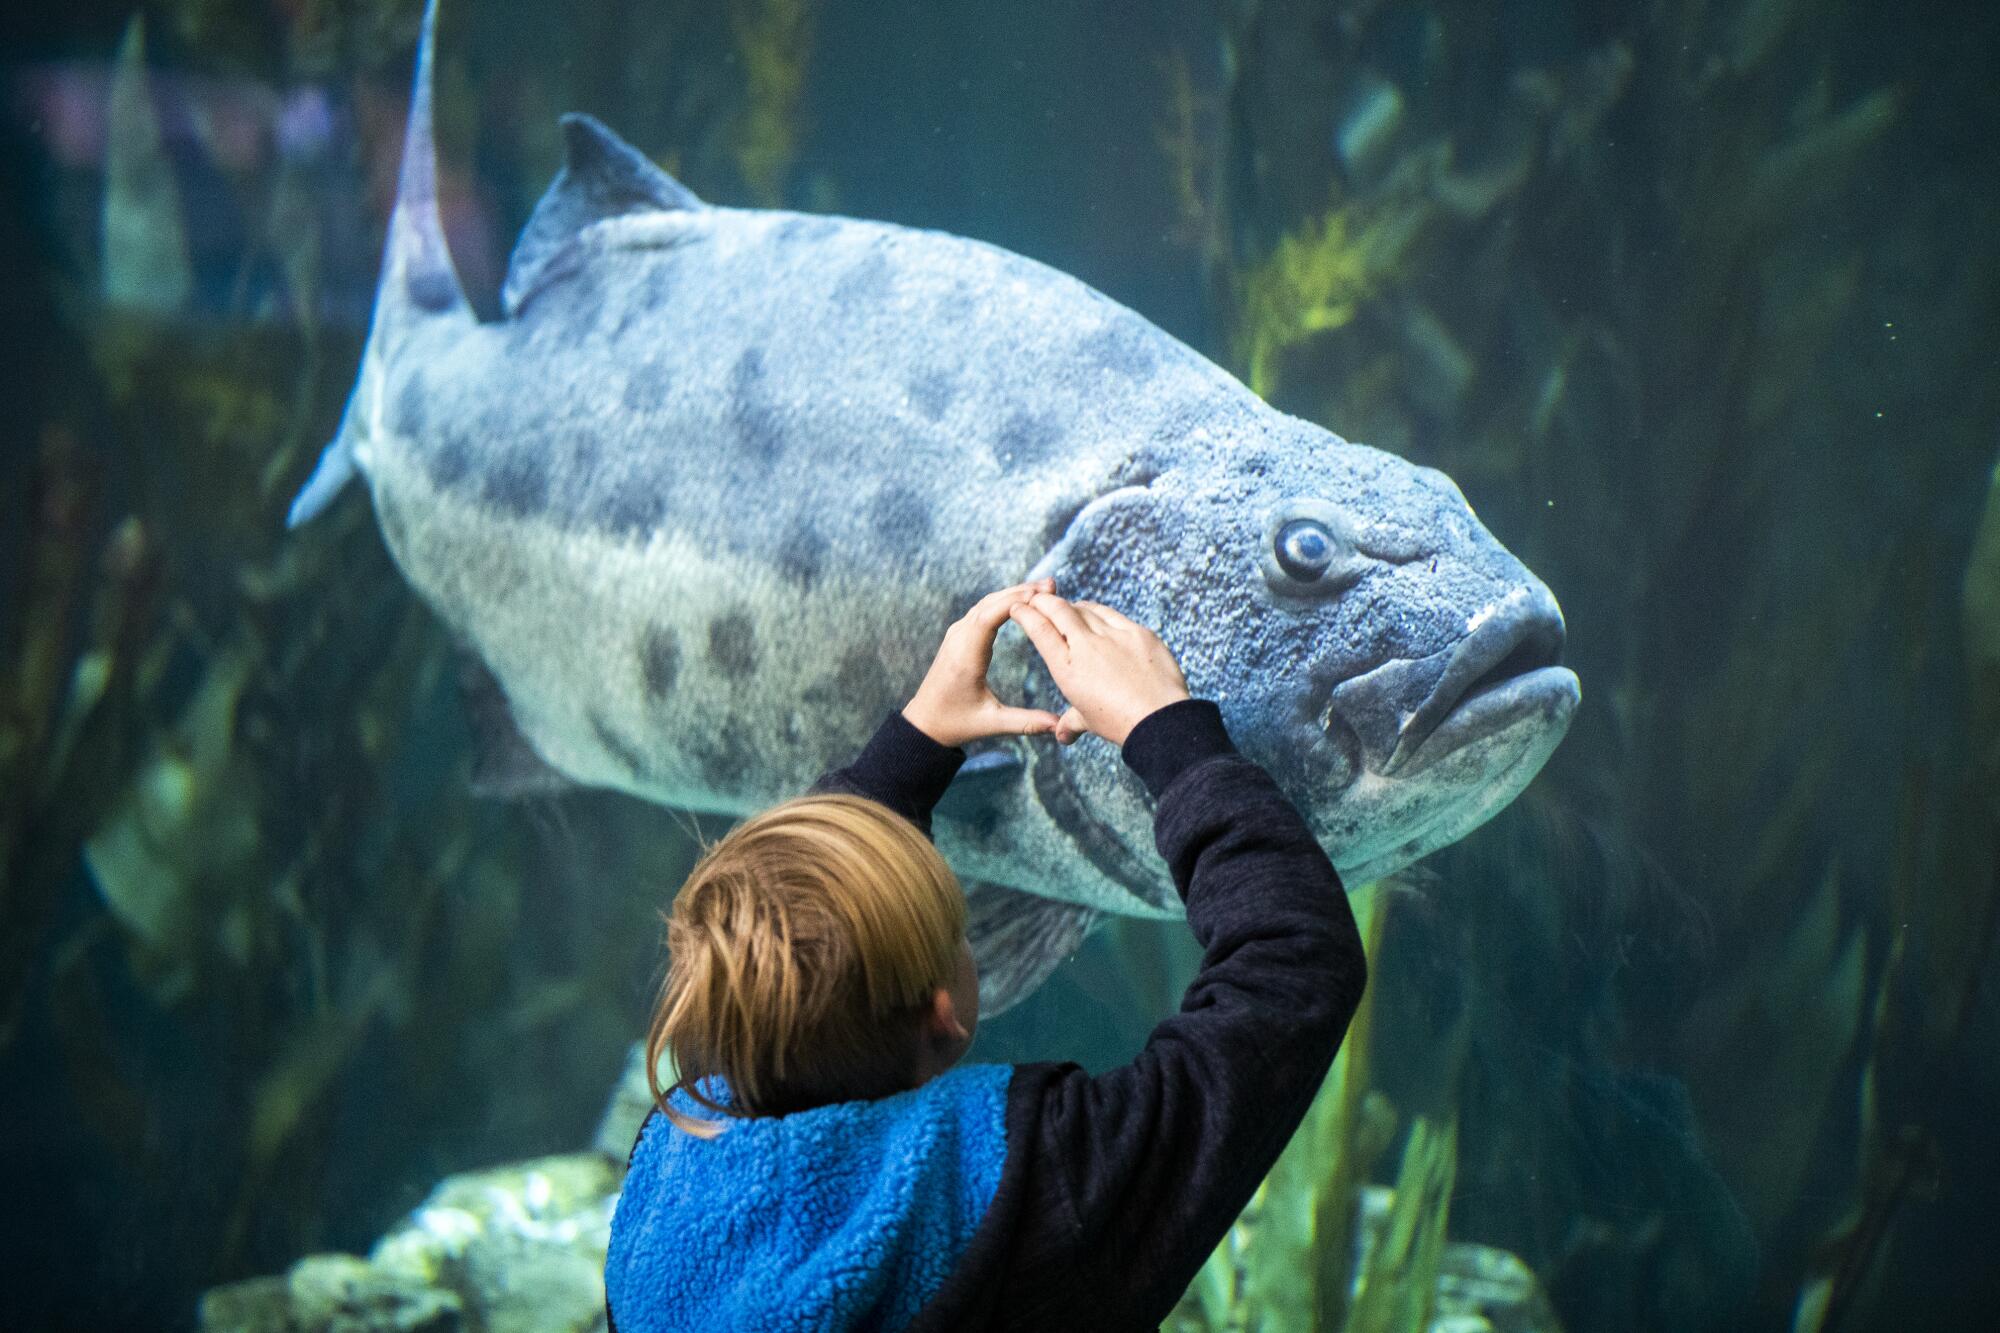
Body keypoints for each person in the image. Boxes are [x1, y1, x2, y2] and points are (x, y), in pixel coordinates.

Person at [605, 579, 1368, 1332]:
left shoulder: (668, 1193)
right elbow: (1292, 963)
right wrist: (1170, 732)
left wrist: (914, 744)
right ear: (945, 1010)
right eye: (955, 926)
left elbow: (781, 941)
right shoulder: (1031, 1199)